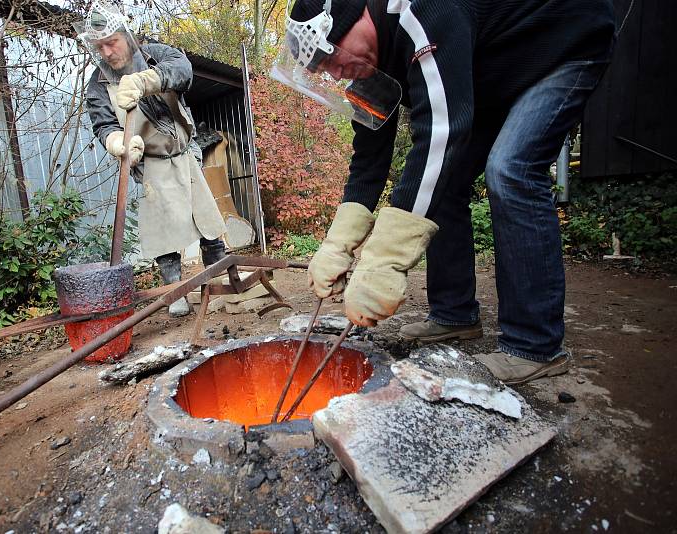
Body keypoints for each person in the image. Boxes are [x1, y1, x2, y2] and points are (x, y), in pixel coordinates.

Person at [274, 0, 615, 384]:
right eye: (324, 69)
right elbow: (370, 156)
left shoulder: (417, 12)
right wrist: (338, 242)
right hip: (495, 71)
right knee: (446, 182)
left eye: (332, 56)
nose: (336, 73)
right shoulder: (368, 63)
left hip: (564, 44)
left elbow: (443, 132)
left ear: (354, 17)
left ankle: (534, 345)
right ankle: (454, 314)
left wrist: (385, 259)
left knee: (510, 170)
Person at [78, 1, 227, 317]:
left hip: (184, 153)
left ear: (125, 35)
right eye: (99, 46)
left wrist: (147, 80)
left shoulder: (155, 54)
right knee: (164, 232)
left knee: (208, 220)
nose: (107, 52)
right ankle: (175, 293)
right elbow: (103, 123)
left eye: (112, 42)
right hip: (151, 162)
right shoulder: (97, 84)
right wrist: (117, 141)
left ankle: (218, 284)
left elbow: (183, 71)